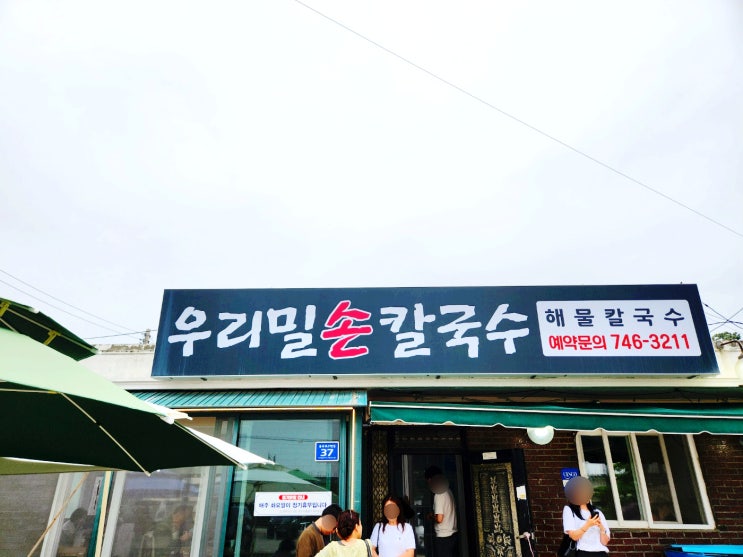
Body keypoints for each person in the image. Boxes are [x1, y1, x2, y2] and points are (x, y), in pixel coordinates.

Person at [563, 477, 611, 557]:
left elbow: (605, 542)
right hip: (583, 553)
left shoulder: (597, 512)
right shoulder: (569, 510)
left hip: (602, 553)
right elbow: (574, 536)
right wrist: (588, 524)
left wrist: (602, 529)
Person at [424, 466, 458, 557]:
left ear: (431, 480)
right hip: (452, 534)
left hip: (444, 536)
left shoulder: (439, 495)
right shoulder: (448, 491)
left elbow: (439, 519)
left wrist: (431, 516)